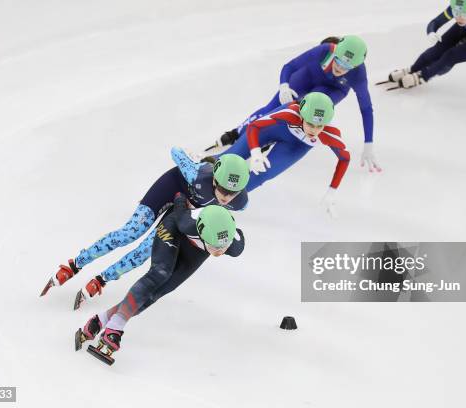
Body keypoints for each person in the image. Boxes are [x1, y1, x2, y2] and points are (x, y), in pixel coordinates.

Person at [40, 150, 250, 307]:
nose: (226, 196)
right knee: (129, 233)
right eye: (222, 188)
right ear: (214, 177)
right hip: (172, 188)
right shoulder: (196, 175)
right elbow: (176, 151)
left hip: (184, 210)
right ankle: (75, 264)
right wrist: (194, 161)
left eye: (232, 193)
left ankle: (102, 279)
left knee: (145, 252)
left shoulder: (240, 203)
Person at [75, 197, 245, 365]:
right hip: (174, 228)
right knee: (160, 273)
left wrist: (215, 245)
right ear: (201, 232)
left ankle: (100, 321)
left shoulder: (233, 245)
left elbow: (226, 242)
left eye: (222, 247)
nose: (219, 252)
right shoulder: (187, 222)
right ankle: (115, 327)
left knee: (154, 294)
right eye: (215, 247)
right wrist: (179, 198)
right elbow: (180, 202)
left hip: (196, 248)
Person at [210, 35, 381, 172]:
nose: (340, 67)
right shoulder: (324, 50)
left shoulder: (358, 75)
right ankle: (237, 133)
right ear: (334, 51)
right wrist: (284, 86)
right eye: (338, 60)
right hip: (307, 78)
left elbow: (366, 108)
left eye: (347, 66)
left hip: (333, 90)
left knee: (308, 114)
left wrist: (369, 143)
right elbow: (289, 66)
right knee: (272, 109)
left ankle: (274, 138)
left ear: (357, 65)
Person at [223, 92, 351, 218]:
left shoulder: (330, 134)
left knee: (262, 173)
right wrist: (255, 151)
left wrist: (332, 190)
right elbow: (254, 126)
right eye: (310, 124)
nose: (314, 130)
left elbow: (345, 158)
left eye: (319, 126)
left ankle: (221, 201)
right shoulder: (290, 113)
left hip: (296, 146)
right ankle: (204, 169)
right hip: (280, 127)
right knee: (233, 154)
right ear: (301, 116)